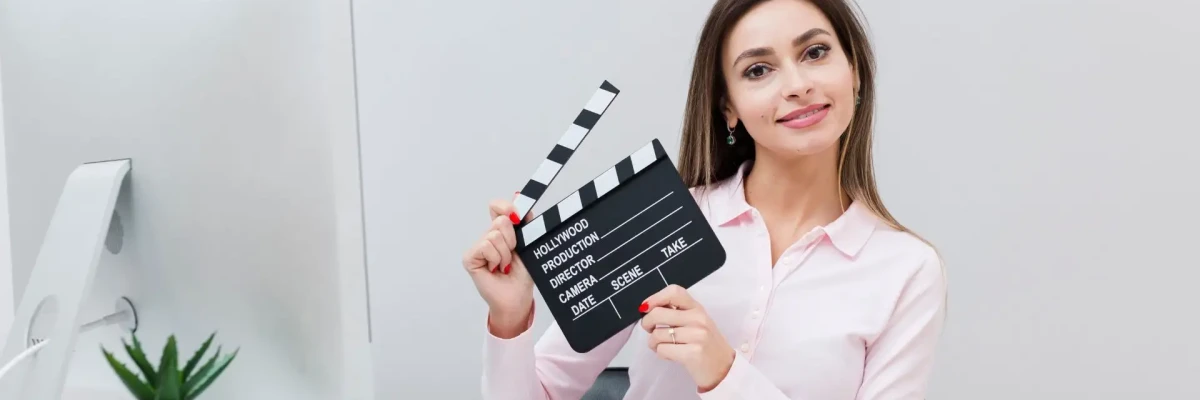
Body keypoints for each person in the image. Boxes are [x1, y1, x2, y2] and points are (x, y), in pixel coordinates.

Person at [460, 0, 947, 398]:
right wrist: (508, 319)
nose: (798, 86)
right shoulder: (659, 218)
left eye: (815, 53)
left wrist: (722, 372)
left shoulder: (906, 270)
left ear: (855, 74)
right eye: (758, 70)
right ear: (728, 107)